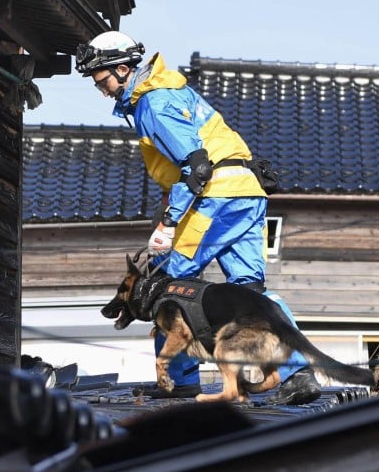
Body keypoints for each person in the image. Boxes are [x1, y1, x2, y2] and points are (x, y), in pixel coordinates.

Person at [76, 30, 322, 405]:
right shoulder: (173, 89)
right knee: (250, 290)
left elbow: (196, 165)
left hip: (215, 197)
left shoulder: (152, 104)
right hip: (247, 191)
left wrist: (169, 223)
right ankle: (297, 374)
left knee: (171, 284)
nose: (103, 90)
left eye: (103, 81)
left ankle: (177, 379)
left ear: (123, 70)